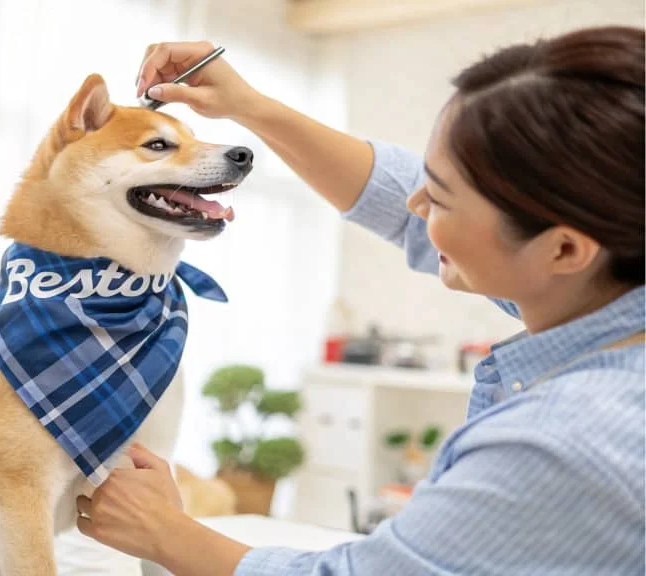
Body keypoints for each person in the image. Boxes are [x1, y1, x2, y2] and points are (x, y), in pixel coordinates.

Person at [74, 25, 645, 576]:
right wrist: (251, 106)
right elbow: (397, 200)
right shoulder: (610, 281)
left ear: (565, 248)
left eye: (441, 198)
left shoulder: (566, 441)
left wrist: (163, 531)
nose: (417, 206)